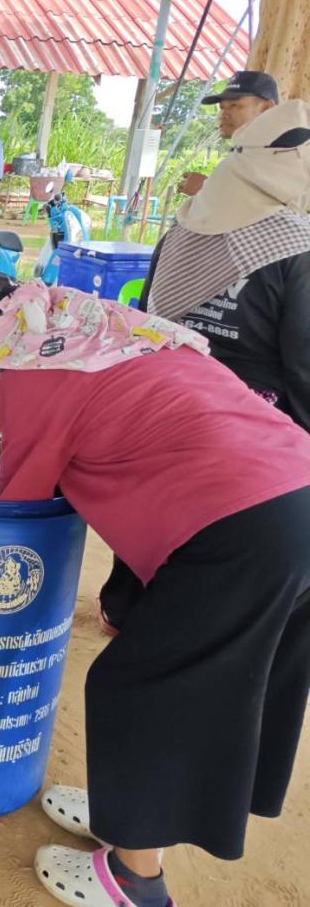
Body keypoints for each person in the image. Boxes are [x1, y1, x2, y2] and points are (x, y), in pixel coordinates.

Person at [0, 273, 310, 907]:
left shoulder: (32, 374)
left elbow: (13, 510)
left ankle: (135, 879)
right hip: (292, 489)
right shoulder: (100, 331)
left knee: (146, 688)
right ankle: (128, 811)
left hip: (241, 528)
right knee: (229, 684)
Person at [100, 99, 310, 634]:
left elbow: (148, 315)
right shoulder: (296, 246)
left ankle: (124, 605)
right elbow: (303, 364)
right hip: (253, 435)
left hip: (165, 407)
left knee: (156, 515)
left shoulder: (183, 230)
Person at [178, 70, 279, 197]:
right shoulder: (246, 153)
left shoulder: (286, 154)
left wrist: (210, 190)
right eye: (222, 107)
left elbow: (281, 211)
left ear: (266, 108)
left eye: (235, 105)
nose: (224, 115)